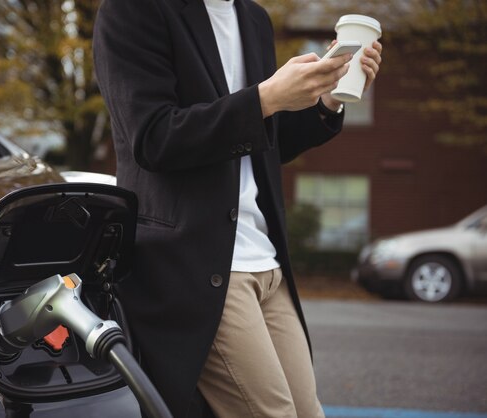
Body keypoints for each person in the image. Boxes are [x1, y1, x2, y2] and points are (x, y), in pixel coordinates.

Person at [93, 0, 382, 417]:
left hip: (266, 261)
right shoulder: (132, 10)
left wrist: (327, 100)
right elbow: (153, 137)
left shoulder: (254, 20)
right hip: (196, 263)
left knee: (307, 412)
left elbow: (263, 142)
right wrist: (265, 98)